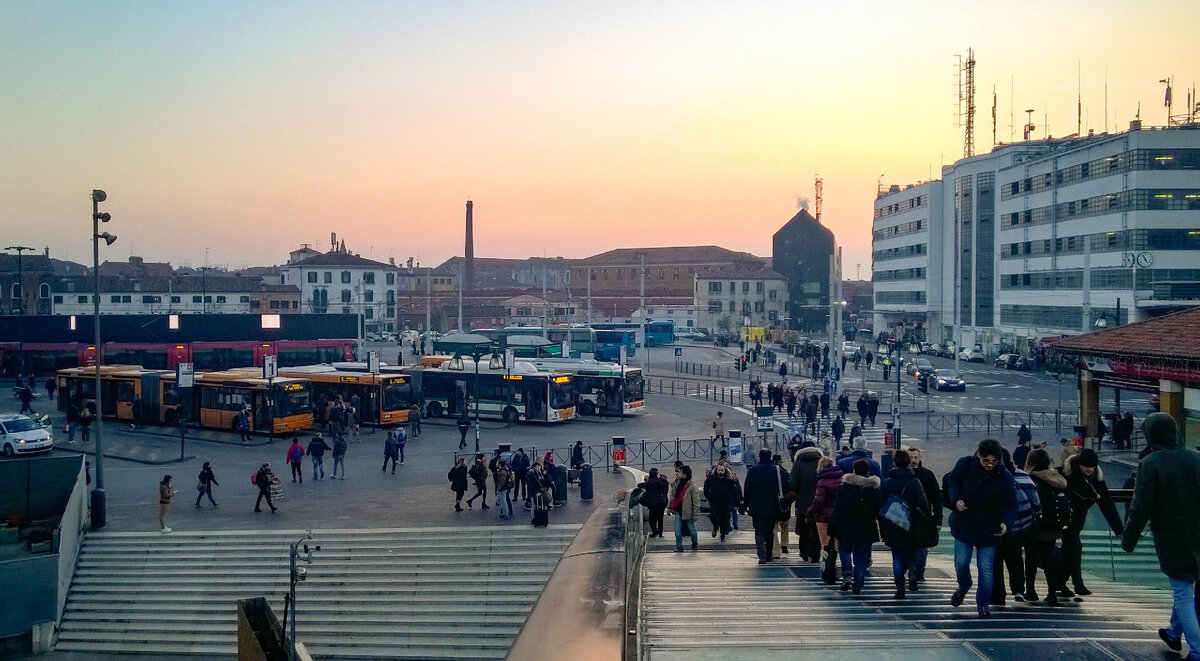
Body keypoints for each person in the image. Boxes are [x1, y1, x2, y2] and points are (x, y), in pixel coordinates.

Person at [1121, 413, 1200, 661]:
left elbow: (1140, 508)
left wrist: (1128, 540)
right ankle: (1174, 633)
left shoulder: (1152, 463)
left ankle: (1197, 650)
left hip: (1173, 538)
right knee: (1187, 591)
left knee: (1182, 593)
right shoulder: (1196, 458)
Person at [947, 438, 1017, 617]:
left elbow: (1011, 504)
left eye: (994, 462)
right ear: (979, 455)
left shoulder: (1004, 476)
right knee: (961, 563)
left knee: (985, 567)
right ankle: (964, 585)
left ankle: (983, 603)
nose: (990, 465)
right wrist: (956, 499)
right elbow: (952, 481)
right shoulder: (965, 464)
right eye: (986, 461)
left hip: (989, 527)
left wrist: (1006, 523)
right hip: (965, 523)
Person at [1060, 448, 1124, 597]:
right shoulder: (1067, 474)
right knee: (1074, 547)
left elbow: (1107, 504)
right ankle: (1076, 584)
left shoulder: (1096, 479)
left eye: (1092, 466)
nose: (1089, 469)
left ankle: (1061, 583)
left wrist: (1119, 530)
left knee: (1069, 550)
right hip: (1063, 518)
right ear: (1079, 464)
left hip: (1077, 520)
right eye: (1086, 466)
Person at [879, 449, 930, 598]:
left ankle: (900, 586)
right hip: (911, 522)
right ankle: (913, 570)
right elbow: (922, 503)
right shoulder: (914, 482)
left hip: (892, 524)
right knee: (911, 549)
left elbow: (880, 504)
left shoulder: (887, 482)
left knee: (896, 555)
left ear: (894, 463)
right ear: (908, 463)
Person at [1023, 448, 1068, 606]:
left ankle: (1030, 591)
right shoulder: (1056, 478)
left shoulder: (1029, 478)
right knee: (1048, 558)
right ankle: (1051, 592)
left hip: (1034, 525)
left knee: (1030, 558)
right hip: (1052, 526)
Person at [831, 459, 881, 593]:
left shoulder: (845, 487)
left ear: (853, 471)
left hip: (846, 525)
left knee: (844, 549)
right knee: (861, 555)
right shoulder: (873, 489)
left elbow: (838, 507)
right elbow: (877, 509)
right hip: (866, 526)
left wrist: (833, 524)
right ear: (868, 472)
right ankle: (858, 583)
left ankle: (847, 574)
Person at [743, 448, 789, 564]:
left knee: (758, 531)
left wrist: (745, 504)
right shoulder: (777, 470)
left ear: (759, 456)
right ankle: (769, 555)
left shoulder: (753, 470)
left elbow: (747, 488)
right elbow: (786, 482)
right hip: (772, 505)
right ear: (770, 457)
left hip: (756, 505)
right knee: (770, 531)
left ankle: (761, 555)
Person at [908, 447, 942, 584]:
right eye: (911, 457)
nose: (914, 460)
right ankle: (913, 569)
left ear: (920, 458)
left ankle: (918, 570)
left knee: (922, 547)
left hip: (924, 517)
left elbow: (937, 498)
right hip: (907, 516)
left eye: (916, 457)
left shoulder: (928, 475)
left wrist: (938, 519)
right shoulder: (904, 474)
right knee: (911, 545)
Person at [805, 456, 843, 576]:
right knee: (836, 543)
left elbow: (818, 501)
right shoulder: (842, 480)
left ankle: (827, 568)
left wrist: (809, 512)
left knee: (825, 543)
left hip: (822, 517)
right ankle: (834, 565)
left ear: (820, 466)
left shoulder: (822, 481)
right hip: (838, 516)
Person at [789, 443, 825, 562]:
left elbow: (793, 484)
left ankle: (804, 552)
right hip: (819, 500)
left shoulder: (798, 462)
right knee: (816, 527)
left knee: (803, 527)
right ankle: (815, 554)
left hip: (802, 501)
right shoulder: (822, 462)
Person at [703, 463, 740, 542]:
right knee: (713, 516)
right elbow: (706, 488)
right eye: (719, 470)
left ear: (725, 470)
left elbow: (734, 491)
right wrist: (709, 497)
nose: (720, 472)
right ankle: (715, 527)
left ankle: (722, 536)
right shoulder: (711, 478)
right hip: (714, 501)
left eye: (722, 470)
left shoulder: (729, 479)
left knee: (723, 519)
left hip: (725, 503)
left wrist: (736, 503)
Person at [669, 465, 702, 552]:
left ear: (685, 474)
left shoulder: (692, 486)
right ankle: (679, 546)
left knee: (691, 528)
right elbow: (672, 495)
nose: (678, 473)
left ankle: (694, 542)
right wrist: (670, 506)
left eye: (680, 472)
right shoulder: (677, 483)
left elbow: (696, 500)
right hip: (678, 510)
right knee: (677, 530)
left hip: (688, 511)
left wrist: (695, 513)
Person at [639, 468, 670, 538]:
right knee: (660, 518)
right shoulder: (661, 482)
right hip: (661, 503)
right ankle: (660, 533)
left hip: (653, 504)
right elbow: (667, 484)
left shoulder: (649, 482)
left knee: (652, 519)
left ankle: (654, 531)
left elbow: (639, 485)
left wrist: (646, 480)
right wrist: (662, 478)